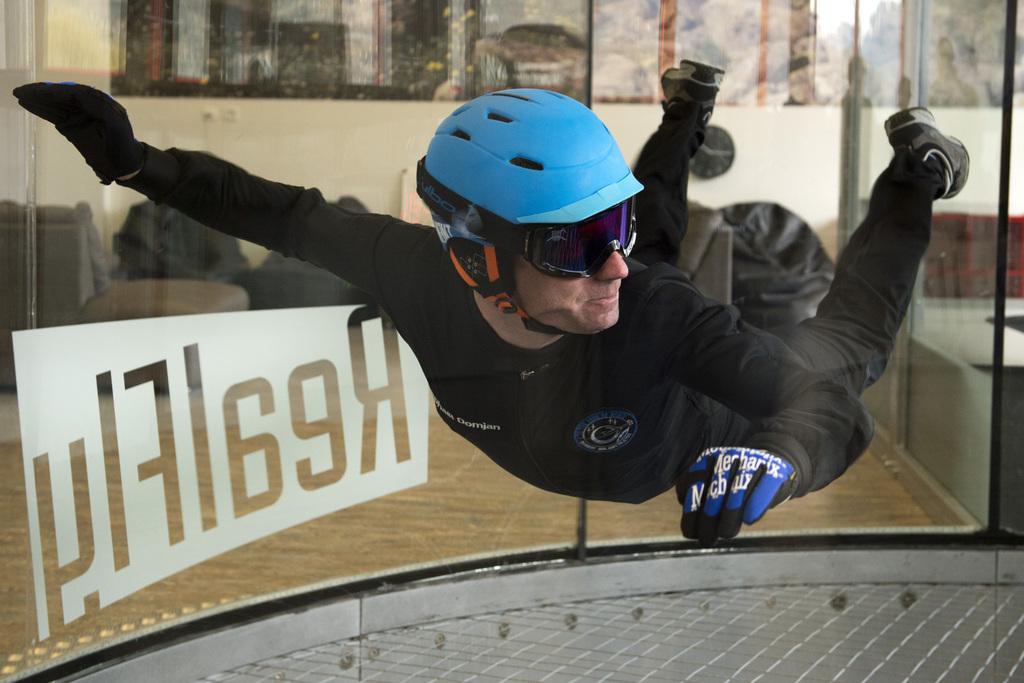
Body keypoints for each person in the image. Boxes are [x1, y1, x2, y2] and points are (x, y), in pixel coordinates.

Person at [12, 61, 968, 547]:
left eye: (613, 228)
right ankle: (687, 108)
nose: (613, 265)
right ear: (473, 260)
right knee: (663, 245)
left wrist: (779, 454)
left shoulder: (655, 314)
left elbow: (831, 413)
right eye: (576, 243)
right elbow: (278, 211)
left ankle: (913, 176)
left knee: (845, 349)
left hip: (685, 437)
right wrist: (138, 165)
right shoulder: (415, 267)